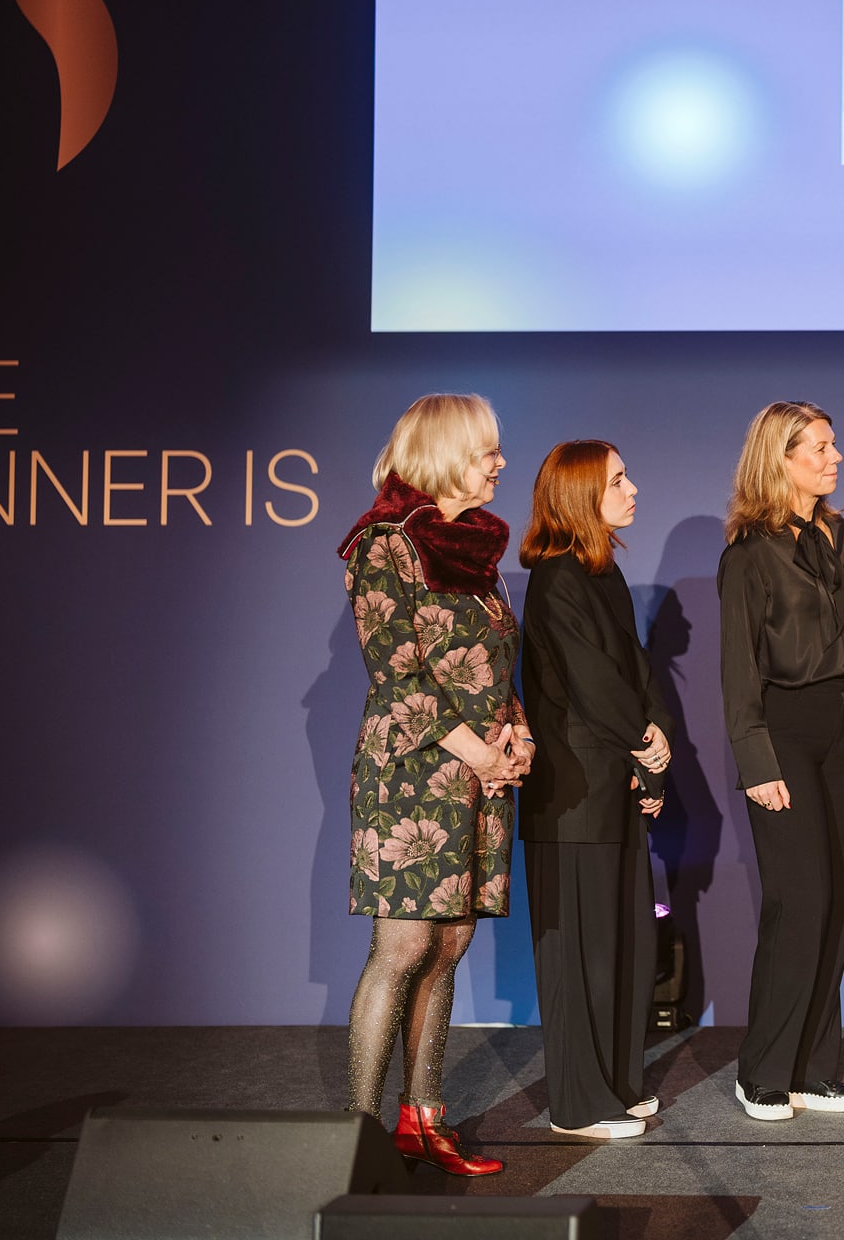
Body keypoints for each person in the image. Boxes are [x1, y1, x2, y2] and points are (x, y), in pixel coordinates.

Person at [338, 393, 530, 1176]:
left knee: (449, 943)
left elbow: (497, 665)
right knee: (404, 945)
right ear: (448, 453)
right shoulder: (384, 544)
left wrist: (516, 737)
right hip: (412, 773)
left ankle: (423, 1121)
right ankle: (355, 1139)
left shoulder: (477, 554)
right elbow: (397, 675)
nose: (500, 463)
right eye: (487, 450)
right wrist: (476, 752)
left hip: (479, 777)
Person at [718, 402, 844, 1121]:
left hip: (843, 728)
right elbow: (738, 670)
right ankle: (762, 1070)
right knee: (800, 903)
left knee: (840, 905)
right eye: (819, 447)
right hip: (783, 733)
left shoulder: (837, 535)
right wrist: (757, 763)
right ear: (780, 459)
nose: (835, 457)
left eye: (833, 444)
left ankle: (813, 1071)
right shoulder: (748, 552)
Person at [517, 440, 674, 1141]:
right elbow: (591, 683)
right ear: (581, 495)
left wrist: (656, 742)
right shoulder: (556, 578)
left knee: (622, 947)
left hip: (614, 786)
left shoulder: (603, 572)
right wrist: (644, 742)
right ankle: (577, 1107)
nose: (632, 488)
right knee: (578, 957)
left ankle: (615, 1085)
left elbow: (637, 673)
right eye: (618, 480)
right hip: (573, 798)